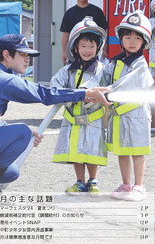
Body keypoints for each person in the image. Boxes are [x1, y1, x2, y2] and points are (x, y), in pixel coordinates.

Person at [0, 34, 110, 192]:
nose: (27, 59)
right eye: (23, 54)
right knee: (22, 131)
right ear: (6, 55)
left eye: (28, 55)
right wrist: (85, 93)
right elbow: (45, 94)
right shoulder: (6, 80)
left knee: (11, 172)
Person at [85, 10, 153, 201]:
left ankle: (139, 186)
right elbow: (100, 77)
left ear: (144, 41)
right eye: (127, 36)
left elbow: (125, 84)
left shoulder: (140, 64)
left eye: (137, 37)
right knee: (122, 150)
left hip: (136, 114)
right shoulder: (114, 62)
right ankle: (126, 185)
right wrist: (87, 89)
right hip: (119, 114)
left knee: (137, 151)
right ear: (121, 39)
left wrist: (106, 90)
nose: (132, 41)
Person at [51, 18, 107, 194]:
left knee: (92, 149)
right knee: (75, 150)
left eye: (91, 46)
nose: (87, 50)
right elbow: (55, 86)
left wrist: (96, 97)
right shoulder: (68, 70)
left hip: (93, 119)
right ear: (75, 47)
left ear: (98, 47)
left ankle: (93, 180)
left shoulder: (103, 69)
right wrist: (73, 96)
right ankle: (80, 182)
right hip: (73, 118)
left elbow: (108, 87)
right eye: (83, 46)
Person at [60, 0, 108, 64]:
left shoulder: (97, 11)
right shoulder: (69, 13)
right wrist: (64, 52)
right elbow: (65, 35)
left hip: (92, 53)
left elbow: (103, 33)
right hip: (74, 54)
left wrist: (104, 50)